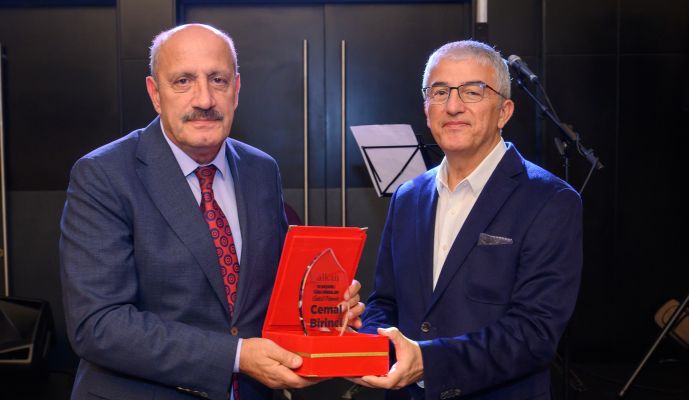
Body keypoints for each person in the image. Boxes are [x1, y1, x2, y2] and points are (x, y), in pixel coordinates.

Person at [59, 24, 364, 400]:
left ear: (236, 89)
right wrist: (236, 356)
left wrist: (323, 305)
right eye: (183, 81)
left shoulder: (260, 170)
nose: (204, 99)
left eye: (218, 80)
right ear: (155, 94)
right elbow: (98, 325)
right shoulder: (103, 175)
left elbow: (270, 293)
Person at [353, 40, 583, 399]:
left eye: (472, 92)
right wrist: (365, 346)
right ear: (426, 108)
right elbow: (385, 302)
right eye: (440, 92)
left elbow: (534, 333)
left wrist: (428, 362)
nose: (453, 106)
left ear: (504, 112)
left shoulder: (550, 200)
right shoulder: (407, 197)